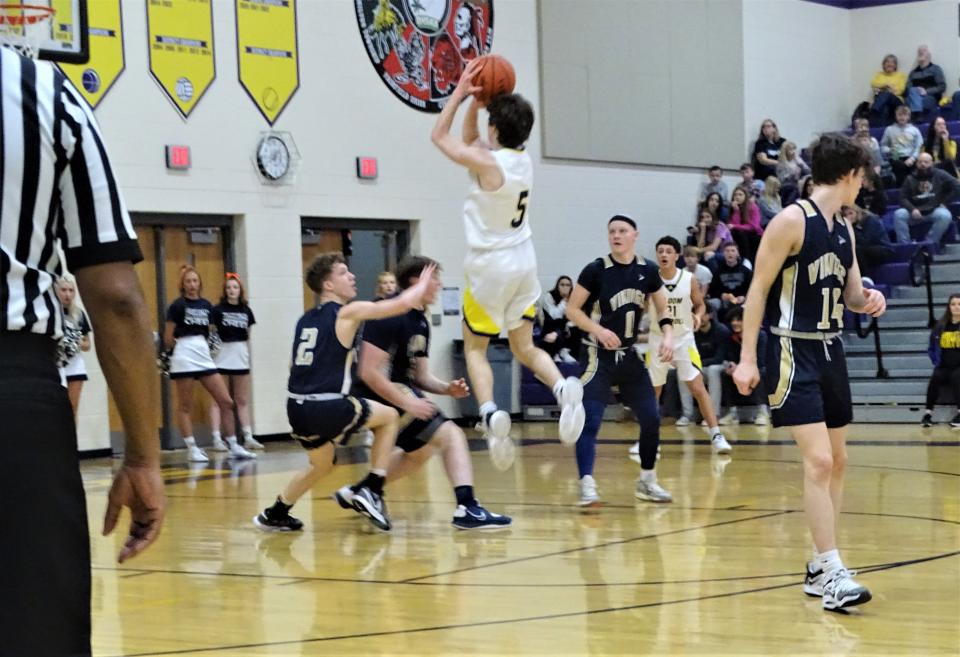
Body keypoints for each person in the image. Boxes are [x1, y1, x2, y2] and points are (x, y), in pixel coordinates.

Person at [0, 45, 164, 656]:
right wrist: (143, 457)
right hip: (14, 400)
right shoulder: (49, 93)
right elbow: (116, 295)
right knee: (35, 627)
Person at [734, 133, 886, 611]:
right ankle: (832, 567)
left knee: (837, 462)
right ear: (849, 175)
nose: (862, 187)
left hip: (830, 351)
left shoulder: (845, 228)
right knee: (818, 461)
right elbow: (757, 291)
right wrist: (746, 358)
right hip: (790, 351)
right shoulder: (789, 221)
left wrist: (870, 300)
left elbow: (852, 294)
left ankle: (822, 569)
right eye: (861, 177)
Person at [430, 58, 584, 456]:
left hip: (489, 267)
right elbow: (470, 138)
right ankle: (563, 387)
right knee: (524, 347)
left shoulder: (487, 161)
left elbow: (440, 137)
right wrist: (478, 105)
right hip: (524, 263)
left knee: (476, 348)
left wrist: (462, 92)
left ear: (495, 129)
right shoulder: (520, 160)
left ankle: (489, 412)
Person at [253, 254, 435, 533]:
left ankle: (276, 512)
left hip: (297, 408)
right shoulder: (345, 312)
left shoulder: (305, 319)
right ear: (328, 285)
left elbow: (292, 364)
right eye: (343, 272)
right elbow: (400, 304)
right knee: (389, 417)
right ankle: (373, 488)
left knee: (322, 464)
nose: (351, 276)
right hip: (326, 405)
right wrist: (421, 286)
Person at [336, 256, 511, 528]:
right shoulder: (387, 312)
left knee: (420, 453)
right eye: (435, 279)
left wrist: (446, 388)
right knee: (451, 434)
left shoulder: (420, 322)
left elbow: (420, 375)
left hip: (399, 391)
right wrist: (408, 404)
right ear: (418, 281)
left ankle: (362, 489)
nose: (440, 285)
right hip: (375, 392)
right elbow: (368, 372)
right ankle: (467, 507)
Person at [565, 215, 675, 506]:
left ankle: (647, 481)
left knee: (652, 417)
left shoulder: (648, 270)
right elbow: (572, 310)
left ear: (635, 235)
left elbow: (663, 309)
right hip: (595, 354)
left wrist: (667, 336)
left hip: (628, 356)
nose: (616, 235)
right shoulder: (595, 270)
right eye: (612, 231)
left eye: (622, 231)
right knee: (591, 421)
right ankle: (587, 484)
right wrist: (599, 330)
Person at [642, 236, 731, 452]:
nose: (663, 254)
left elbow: (700, 305)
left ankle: (716, 435)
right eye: (660, 251)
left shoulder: (689, 278)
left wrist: (699, 316)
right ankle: (646, 439)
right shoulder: (650, 280)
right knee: (652, 391)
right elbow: (642, 307)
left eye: (668, 251)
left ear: (676, 255)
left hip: (683, 339)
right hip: (657, 339)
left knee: (698, 387)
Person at [164, 266, 253, 462]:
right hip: (185, 353)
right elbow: (168, 337)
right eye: (188, 281)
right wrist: (173, 353)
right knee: (185, 405)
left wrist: (213, 347)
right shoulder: (177, 306)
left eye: (195, 281)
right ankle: (192, 448)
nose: (192, 285)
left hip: (204, 354)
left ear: (200, 283)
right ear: (182, 285)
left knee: (226, 401)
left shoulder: (206, 305)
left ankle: (234, 445)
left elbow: (212, 331)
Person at [209, 273, 264, 451]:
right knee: (218, 399)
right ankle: (217, 438)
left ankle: (248, 436)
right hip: (222, 353)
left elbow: (248, 334)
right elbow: (212, 333)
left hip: (240, 354)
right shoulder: (217, 310)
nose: (232, 290)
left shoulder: (246, 310)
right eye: (228, 287)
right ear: (225, 291)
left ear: (240, 290)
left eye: (235, 287)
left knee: (241, 399)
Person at [678, 309, 731, 428]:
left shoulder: (720, 330)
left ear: (710, 315)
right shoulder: (690, 332)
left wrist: (698, 364)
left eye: (704, 314)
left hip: (722, 364)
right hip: (701, 366)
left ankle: (714, 415)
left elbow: (719, 358)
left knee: (712, 370)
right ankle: (687, 415)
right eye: (696, 314)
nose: (700, 317)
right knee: (683, 372)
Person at [893, 152, 960, 245]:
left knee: (945, 215)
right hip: (915, 211)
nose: (923, 164)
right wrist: (912, 209)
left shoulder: (940, 174)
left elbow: (957, 186)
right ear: (916, 164)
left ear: (932, 163)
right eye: (920, 162)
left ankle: (930, 242)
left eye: (926, 162)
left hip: (934, 210)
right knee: (898, 214)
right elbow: (902, 198)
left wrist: (945, 202)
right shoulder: (910, 178)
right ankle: (905, 245)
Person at [719, 306, 769, 425]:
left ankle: (763, 413)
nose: (734, 323)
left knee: (760, 372)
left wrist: (742, 367)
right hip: (740, 368)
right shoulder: (731, 337)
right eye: (733, 320)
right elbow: (729, 356)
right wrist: (730, 364)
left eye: (738, 320)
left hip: (760, 367)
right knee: (725, 374)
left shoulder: (760, 335)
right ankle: (732, 413)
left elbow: (761, 360)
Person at [55, 275, 93, 417]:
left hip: (75, 364)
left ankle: (71, 439)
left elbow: (87, 344)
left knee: (72, 407)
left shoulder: (78, 314)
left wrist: (74, 342)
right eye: (63, 290)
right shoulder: (50, 312)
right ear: (56, 291)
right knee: (56, 406)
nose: (67, 294)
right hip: (55, 363)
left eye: (71, 290)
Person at [921, 294, 960, 428]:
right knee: (935, 377)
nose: (956, 307)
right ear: (949, 307)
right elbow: (932, 346)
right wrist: (935, 361)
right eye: (953, 304)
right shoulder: (941, 326)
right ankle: (927, 414)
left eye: (959, 304)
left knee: (957, 377)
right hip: (944, 365)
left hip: (958, 367)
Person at [538, 275, 579, 363]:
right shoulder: (549, 296)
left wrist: (569, 324)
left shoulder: (574, 298)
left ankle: (564, 351)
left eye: (568, 285)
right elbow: (554, 315)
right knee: (557, 322)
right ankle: (558, 352)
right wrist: (564, 300)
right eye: (562, 285)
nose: (565, 287)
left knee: (578, 327)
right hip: (550, 326)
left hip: (565, 327)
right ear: (557, 286)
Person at [708, 242, 752, 320]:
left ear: (738, 254)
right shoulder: (718, 271)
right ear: (723, 254)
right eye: (727, 251)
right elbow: (712, 290)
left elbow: (751, 288)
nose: (730, 253)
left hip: (741, 300)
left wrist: (744, 297)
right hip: (724, 300)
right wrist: (722, 295)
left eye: (732, 251)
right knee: (712, 303)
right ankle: (717, 327)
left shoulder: (746, 271)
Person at [880, 104, 923, 186]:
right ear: (896, 116)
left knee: (916, 167)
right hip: (896, 157)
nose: (902, 117)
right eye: (899, 115)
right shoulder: (889, 129)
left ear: (908, 117)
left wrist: (912, 158)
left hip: (910, 157)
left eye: (904, 115)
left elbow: (918, 146)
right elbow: (883, 146)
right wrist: (889, 150)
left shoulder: (914, 130)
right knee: (899, 167)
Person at [848, 205, 893, 278]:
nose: (848, 217)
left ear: (857, 212)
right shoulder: (850, 225)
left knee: (857, 249)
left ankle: (866, 278)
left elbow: (866, 242)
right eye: (845, 215)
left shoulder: (870, 220)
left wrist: (851, 228)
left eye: (850, 213)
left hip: (883, 249)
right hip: (867, 251)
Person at [905, 45, 945, 118]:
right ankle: (918, 114)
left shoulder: (936, 69)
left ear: (929, 55)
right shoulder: (913, 73)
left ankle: (916, 114)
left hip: (929, 97)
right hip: (913, 97)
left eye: (924, 50)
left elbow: (942, 87)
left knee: (922, 101)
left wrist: (926, 91)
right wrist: (916, 92)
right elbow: (908, 89)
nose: (921, 52)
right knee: (911, 94)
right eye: (919, 51)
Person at [868, 53, 907, 126]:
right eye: (887, 62)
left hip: (897, 101)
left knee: (886, 94)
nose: (889, 64)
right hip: (883, 102)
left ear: (895, 65)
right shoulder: (879, 74)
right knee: (884, 108)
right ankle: (880, 130)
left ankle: (873, 110)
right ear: (883, 64)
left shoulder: (901, 75)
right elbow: (873, 84)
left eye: (892, 62)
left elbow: (901, 89)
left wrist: (888, 91)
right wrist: (886, 85)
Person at [728, 185, 763, 262]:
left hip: (755, 235)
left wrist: (735, 226)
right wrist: (736, 211)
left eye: (740, 195)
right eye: (735, 195)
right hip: (742, 235)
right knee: (736, 233)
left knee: (740, 233)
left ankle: (746, 260)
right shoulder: (733, 208)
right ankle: (739, 260)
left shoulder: (753, 207)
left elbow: (754, 226)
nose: (737, 197)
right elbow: (732, 227)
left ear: (745, 196)